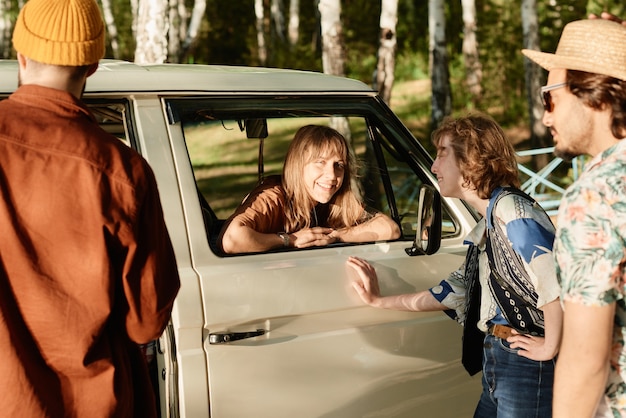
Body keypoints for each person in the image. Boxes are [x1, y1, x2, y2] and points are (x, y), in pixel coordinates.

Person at [0, 0, 180, 417]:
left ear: (21, 55)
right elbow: (147, 321)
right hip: (93, 403)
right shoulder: (121, 169)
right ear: (93, 66)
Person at [348, 113, 562, 417]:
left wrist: (550, 346)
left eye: (441, 153)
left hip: (526, 363)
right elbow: (449, 292)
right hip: (500, 357)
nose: (434, 167)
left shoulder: (512, 208)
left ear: (471, 158)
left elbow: (552, 278)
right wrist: (378, 301)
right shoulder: (488, 225)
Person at [521, 18, 626, 417]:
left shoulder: (595, 197)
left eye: (549, 97)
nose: (546, 117)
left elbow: (586, 360)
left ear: (596, 95)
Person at [219, 124, 400, 253]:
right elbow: (232, 240)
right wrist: (290, 240)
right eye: (320, 162)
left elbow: (390, 229)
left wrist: (337, 236)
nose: (331, 175)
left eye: (339, 165)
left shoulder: (333, 198)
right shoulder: (273, 196)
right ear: (298, 165)